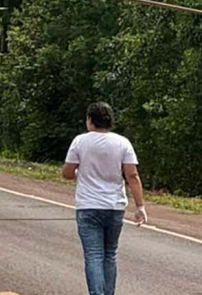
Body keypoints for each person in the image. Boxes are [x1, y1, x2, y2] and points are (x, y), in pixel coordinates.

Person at [62, 102, 147, 295]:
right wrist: (140, 206)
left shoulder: (80, 141)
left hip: (88, 206)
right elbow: (132, 175)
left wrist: (80, 174)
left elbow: (67, 173)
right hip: (114, 206)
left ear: (90, 120)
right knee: (110, 254)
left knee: (93, 255)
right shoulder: (123, 143)